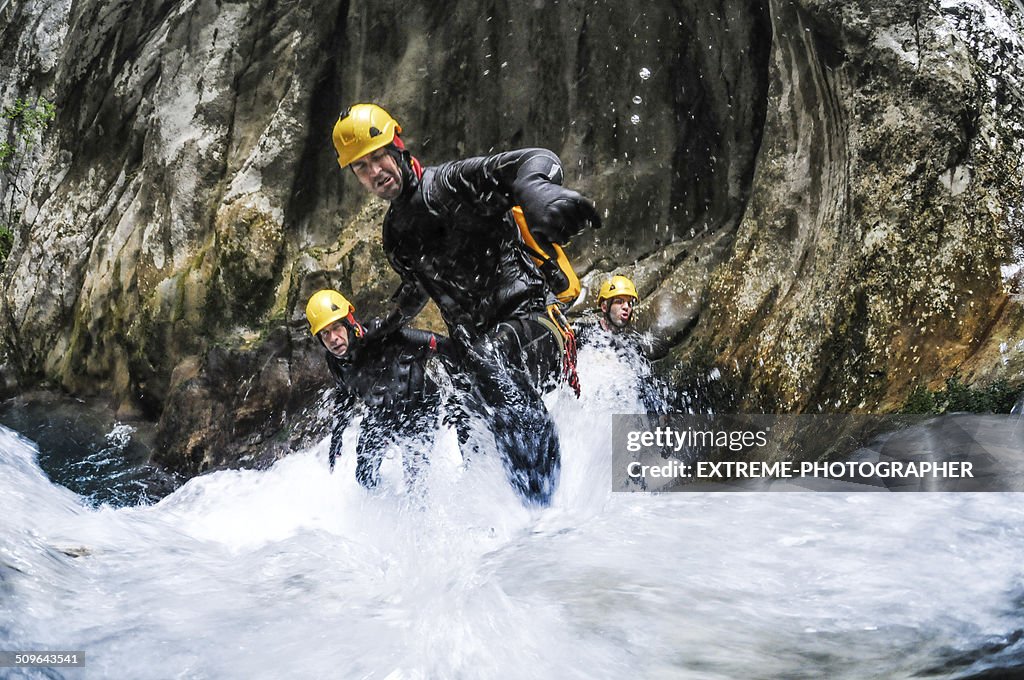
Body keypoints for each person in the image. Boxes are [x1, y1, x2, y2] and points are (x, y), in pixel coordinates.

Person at [331, 103, 601, 504]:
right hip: (478, 349)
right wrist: (382, 331)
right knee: (466, 407)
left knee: (486, 362)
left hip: (533, 321)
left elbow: (533, 160)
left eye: (378, 157)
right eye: (361, 168)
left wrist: (538, 191)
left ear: (399, 147)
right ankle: (515, 527)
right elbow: (417, 288)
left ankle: (548, 513)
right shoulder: (396, 236)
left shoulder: (453, 183)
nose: (374, 173)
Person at [306, 288, 452, 491]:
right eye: (325, 333)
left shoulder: (384, 338)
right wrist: (337, 435)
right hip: (381, 414)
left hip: (419, 411)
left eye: (337, 328)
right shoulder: (335, 361)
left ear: (349, 324)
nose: (333, 338)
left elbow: (445, 347)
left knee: (417, 486)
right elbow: (345, 391)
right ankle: (384, 509)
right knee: (365, 477)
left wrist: (458, 400)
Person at [576, 275, 667, 415]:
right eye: (619, 302)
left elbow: (646, 392)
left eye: (630, 303)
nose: (626, 307)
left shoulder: (632, 348)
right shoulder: (583, 334)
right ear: (604, 306)